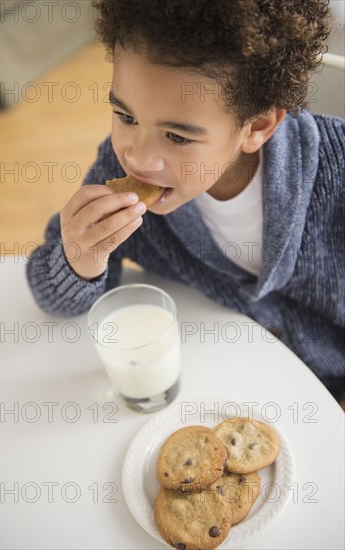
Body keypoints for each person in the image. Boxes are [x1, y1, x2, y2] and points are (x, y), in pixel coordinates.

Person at [26, 0, 345, 403]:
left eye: (177, 137)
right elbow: (53, 298)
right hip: (220, 385)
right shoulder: (121, 168)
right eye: (125, 117)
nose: (137, 157)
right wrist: (78, 260)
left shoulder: (337, 171)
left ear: (258, 126)